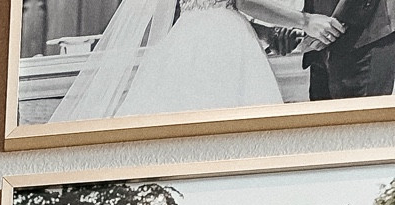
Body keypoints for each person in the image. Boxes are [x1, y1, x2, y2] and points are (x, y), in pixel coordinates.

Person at [56, 0, 344, 122]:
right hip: (222, 44)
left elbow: (208, 6)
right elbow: (240, 2)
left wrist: (264, 32)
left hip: (187, 38)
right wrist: (305, 20)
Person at [304, 0, 395, 100]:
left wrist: (330, 25)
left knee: (360, 112)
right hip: (321, 32)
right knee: (322, 111)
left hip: (363, 37)